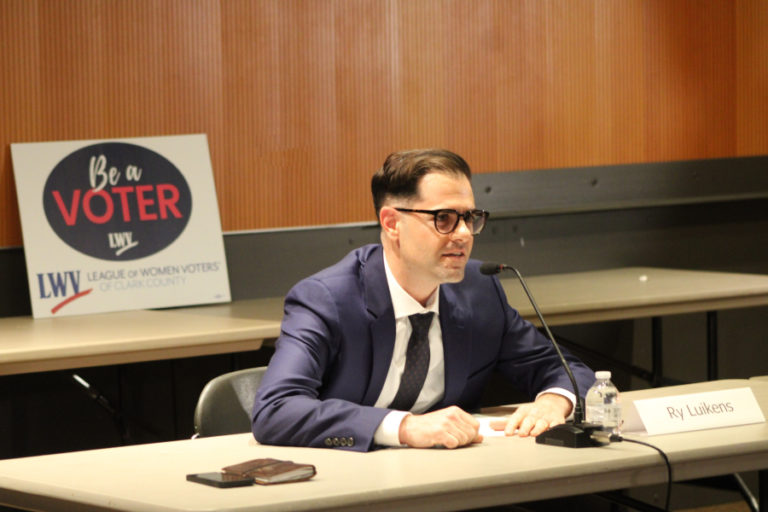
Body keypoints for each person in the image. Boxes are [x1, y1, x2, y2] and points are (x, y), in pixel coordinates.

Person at [252, 148, 594, 452]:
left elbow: (566, 370)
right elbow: (276, 410)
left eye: (470, 218)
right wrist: (404, 427)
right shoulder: (328, 299)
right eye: (443, 218)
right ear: (392, 223)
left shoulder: (479, 290)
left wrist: (555, 401)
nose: (463, 234)